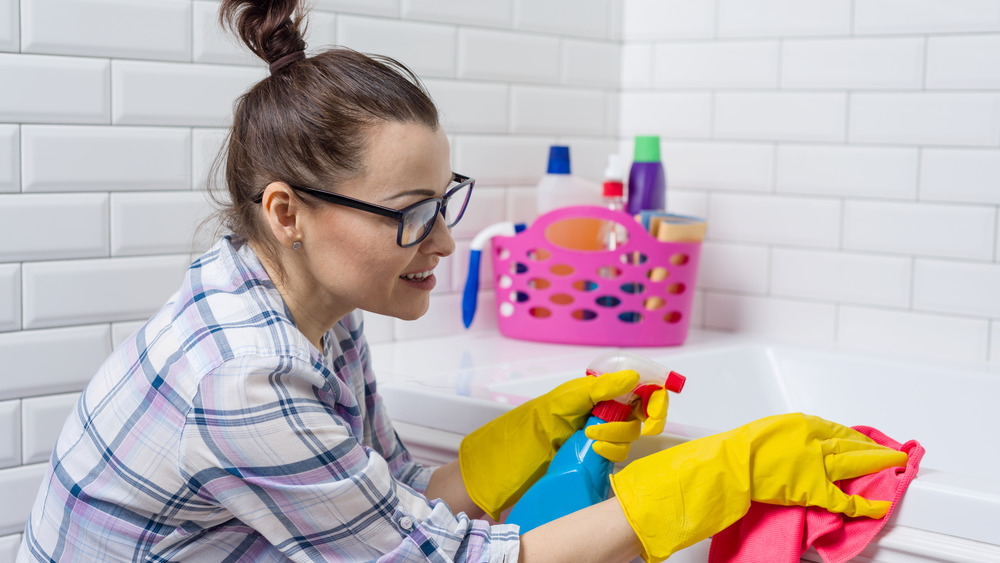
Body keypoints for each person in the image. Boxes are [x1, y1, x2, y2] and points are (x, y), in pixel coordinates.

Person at [17, 1, 907, 562]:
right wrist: (717, 475)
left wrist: (519, 436)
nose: (444, 240)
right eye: (411, 210)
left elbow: (395, 502)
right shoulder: (241, 377)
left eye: (444, 202)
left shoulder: (303, 303)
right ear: (287, 211)